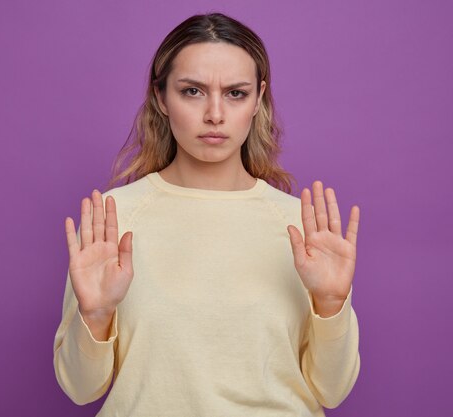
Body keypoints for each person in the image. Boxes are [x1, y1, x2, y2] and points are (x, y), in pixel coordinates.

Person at [53, 12, 361, 417]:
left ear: (258, 99)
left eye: (236, 93)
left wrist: (331, 302)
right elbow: (80, 389)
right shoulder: (115, 218)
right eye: (193, 91)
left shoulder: (304, 230)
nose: (215, 114)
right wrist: (95, 316)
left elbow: (332, 391)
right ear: (162, 98)